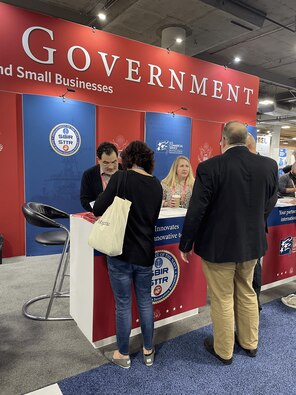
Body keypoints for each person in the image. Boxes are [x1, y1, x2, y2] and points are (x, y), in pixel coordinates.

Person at [179, 121, 278, 365]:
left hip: (218, 246)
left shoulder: (210, 167)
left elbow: (197, 209)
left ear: (222, 141)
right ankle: (249, 343)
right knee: (246, 291)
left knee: (222, 297)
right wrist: (256, 222)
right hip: (252, 244)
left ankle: (224, 351)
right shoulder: (269, 166)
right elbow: (271, 201)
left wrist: (185, 243)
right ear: (246, 140)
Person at [93, 141, 162, 369]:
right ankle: (148, 351)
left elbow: (98, 208)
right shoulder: (156, 185)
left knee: (123, 304)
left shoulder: (121, 178)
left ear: (127, 158)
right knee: (145, 301)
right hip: (145, 254)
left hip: (121, 253)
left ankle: (123, 354)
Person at [246, 133, 262, 312]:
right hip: (253, 230)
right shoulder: (268, 166)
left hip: (253, 230)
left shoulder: (266, 166)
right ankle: (248, 339)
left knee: (247, 287)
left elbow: (271, 199)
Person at [80, 142, 121, 212]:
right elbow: (85, 201)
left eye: (114, 162)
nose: (111, 167)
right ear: (98, 160)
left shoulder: (126, 172)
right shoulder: (89, 175)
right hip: (100, 217)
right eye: (106, 163)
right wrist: (98, 211)